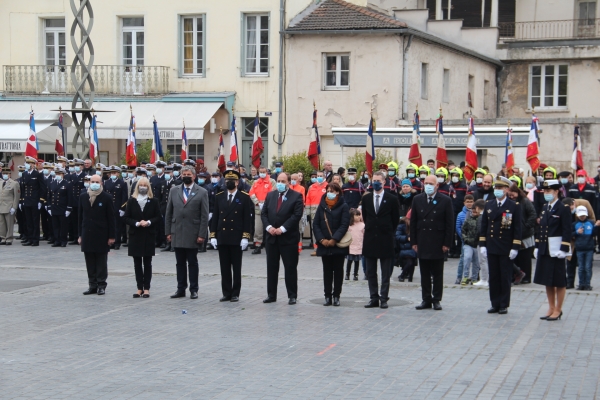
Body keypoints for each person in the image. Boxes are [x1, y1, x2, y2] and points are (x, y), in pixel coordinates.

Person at [410, 174, 454, 311]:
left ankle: (436, 299)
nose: (428, 185)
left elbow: (449, 224)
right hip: (423, 240)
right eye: (426, 183)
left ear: (437, 185)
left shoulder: (445, 200)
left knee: (437, 273)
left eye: (431, 183)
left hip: (438, 241)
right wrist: (414, 241)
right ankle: (426, 299)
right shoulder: (417, 199)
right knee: (424, 273)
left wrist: (447, 243)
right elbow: (413, 222)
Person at [479, 176, 522, 315]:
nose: (497, 190)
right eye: (496, 188)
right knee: (494, 276)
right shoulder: (489, 204)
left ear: (506, 189)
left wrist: (515, 247)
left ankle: (504, 304)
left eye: (500, 188)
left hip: (506, 246)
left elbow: (517, 228)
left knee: (504, 276)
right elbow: (484, 225)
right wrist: (483, 244)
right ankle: (494, 303)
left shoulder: (513, 206)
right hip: (491, 245)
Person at [165, 166, 209, 299]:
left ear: (194, 176)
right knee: (180, 263)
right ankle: (180, 288)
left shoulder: (201, 192)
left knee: (192, 262)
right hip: (177, 231)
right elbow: (168, 213)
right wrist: (168, 232)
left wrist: (202, 234)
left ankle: (194, 289)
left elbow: (204, 215)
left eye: (188, 174)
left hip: (193, 233)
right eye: (184, 174)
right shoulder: (174, 190)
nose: (186, 176)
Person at [209, 170, 253, 302]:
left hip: (236, 237)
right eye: (227, 180)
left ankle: (235, 293)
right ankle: (226, 292)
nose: (229, 183)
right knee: (224, 267)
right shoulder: (219, 196)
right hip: (222, 236)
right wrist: (213, 235)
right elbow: (215, 217)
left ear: (238, 182)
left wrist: (245, 237)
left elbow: (247, 219)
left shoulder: (244, 197)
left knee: (236, 267)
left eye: (232, 181)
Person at [261, 172, 304, 305]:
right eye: (278, 181)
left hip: (288, 238)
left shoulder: (296, 196)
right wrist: (269, 227)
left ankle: (292, 295)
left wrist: (282, 229)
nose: (280, 183)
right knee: (272, 268)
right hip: (272, 238)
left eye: (283, 181)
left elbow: (296, 216)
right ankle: (271, 295)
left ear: (288, 182)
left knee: (290, 268)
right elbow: (264, 213)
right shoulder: (270, 195)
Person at [534, 179, 571, 321]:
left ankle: (558, 309)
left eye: (549, 191)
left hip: (556, 250)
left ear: (556, 192)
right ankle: (550, 307)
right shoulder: (545, 208)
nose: (546, 193)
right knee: (547, 280)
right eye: (545, 191)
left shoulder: (563, 208)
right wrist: (537, 246)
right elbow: (541, 228)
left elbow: (567, 230)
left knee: (559, 280)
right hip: (545, 248)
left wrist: (564, 248)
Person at [363, 171, 400, 309]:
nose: (376, 183)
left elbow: (395, 219)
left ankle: (384, 298)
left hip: (385, 238)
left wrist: (387, 230)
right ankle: (373, 297)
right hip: (370, 238)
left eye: (379, 180)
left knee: (385, 272)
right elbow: (366, 218)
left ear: (384, 182)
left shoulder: (391, 199)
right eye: (374, 180)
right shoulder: (366, 198)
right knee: (370, 272)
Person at [312, 182, 349, 306]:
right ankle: (327, 296)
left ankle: (336, 296)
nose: (330, 193)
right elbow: (316, 224)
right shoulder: (322, 206)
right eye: (328, 191)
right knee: (327, 271)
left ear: (338, 192)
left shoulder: (343, 206)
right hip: (324, 245)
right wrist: (322, 239)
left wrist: (334, 239)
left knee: (338, 271)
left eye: (333, 191)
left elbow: (344, 225)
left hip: (337, 245)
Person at [124, 177, 162, 298]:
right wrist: (136, 223)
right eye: (141, 185)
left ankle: (146, 288)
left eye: (145, 185)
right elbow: (126, 217)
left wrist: (149, 222)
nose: (143, 187)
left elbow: (158, 217)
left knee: (147, 262)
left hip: (148, 234)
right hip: (136, 234)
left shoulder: (154, 200)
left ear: (148, 187)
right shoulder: (131, 200)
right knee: (137, 263)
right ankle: (139, 287)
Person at [78, 175, 116, 295]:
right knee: (89, 260)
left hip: (101, 233)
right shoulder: (83, 196)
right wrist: (80, 235)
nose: (94, 183)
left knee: (101, 261)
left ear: (101, 183)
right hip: (87, 232)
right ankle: (92, 285)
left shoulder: (106, 197)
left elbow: (111, 218)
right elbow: (80, 217)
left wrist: (111, 236)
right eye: (92, 181)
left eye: (97, 182)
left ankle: (101, 284)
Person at [507, 184, 537, 284]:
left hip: (526, 234)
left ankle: (526, 277)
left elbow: (532, 214)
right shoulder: (509, 203)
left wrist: (527, 226)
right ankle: (515, 276)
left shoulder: (525, 201)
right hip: (513, 234)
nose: (512, 197)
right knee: (515, 257)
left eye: (513, 194)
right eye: (509, 195)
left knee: (525, 258)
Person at [248, 166, 276, 255]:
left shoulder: (272, 181)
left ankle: (270, 244)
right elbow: (251, 193)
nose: (262, 173)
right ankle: (257, 245)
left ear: (267, 172)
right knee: (258, 228)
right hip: (258, 208)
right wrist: (257, 202)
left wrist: (267, 203)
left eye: (264, 172)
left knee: (270, 226)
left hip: (269, 208)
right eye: (261, 172)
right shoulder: (256, 182)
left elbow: (274, 193)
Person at [21, 156, 46, 247]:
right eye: (26, 163)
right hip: (27, 200)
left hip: (35, 200)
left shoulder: (37, 174)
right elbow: (23, 188)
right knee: (28, 221)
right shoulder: (24, 174)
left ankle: (35, 239)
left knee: (35, 221)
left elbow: (42, 188)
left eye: (29, 163)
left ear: (32, 164)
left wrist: (41, 200)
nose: (27, 165)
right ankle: (29, 238)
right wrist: (23, 199)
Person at [104, 166, 128, 250]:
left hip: (117, 207)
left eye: (115, 173)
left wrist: (122, 208)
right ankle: (110, 241)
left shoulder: (122, 183)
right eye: (111, 173)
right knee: (109, 225)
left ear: (118, 173)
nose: (113, 174)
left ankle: (117, 242)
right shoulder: (106, 182)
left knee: (117, 226)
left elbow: (124, 197)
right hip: (108, 207)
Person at [48, 168, 73, 247]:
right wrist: (49, 207)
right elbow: (49, 196)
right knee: (55, 226)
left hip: (63, 208)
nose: (58, 175)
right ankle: (57, 240)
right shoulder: (52, 183)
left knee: (63, 226)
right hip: (54, 207)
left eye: (60, 174)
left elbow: (70, 197)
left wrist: (69, 208)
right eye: (57, 174)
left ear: (63, 175)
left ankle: (63, 240)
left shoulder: (67, 184)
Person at [306, 170, 327, 255]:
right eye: (318, 176)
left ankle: (324, 247)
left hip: (325, 212)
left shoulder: (328, 186)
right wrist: (307, 213)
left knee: (325, 229)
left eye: (321, 176)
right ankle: (316, 248)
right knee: (315, 230)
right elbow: (308, 200)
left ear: (324, 177)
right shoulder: (312, 187)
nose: (319, 177)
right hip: (313, 213)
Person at [573, 206, 594, 291]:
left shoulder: (591, 223)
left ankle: (587, 284)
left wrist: (596, 227)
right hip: (579, 248)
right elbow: (571, 234)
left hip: (589, 248)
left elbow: (594, 234)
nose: (582, 217)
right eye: (581, 215)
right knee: (581, 267)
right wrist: (577, 232)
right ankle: (581, 284)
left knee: (588, 267)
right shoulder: (575, 224)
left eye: (584, 215)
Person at [455, 195, 475, 284]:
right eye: (468, 202)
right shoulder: (461, 214)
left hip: (474, 241)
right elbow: (458, 227)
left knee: (475, 260)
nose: (469, 203)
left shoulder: (475, 213)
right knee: (463, 259)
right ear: (464, 203)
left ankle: (474, 277)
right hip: (465, 240)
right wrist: (463, 237)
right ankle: (459, 277)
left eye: (471, 201)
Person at [460, 202, 481, 285]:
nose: (474, 213)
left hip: (477, 244)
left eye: (476, 212)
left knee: (476, 262)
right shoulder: (468, 220)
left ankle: (474, 278)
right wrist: (466, 239)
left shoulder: (481, 220)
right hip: (468, 243)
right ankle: (465, 276)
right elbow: (463, 230)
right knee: (467, 258)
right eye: (473, 212)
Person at [0, 163, 20, 245]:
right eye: (3, 173)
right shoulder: (0, 182)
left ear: (9, 174)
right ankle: (3, 237)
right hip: (1, 206)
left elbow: (16, 196)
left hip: (9, 206)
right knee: (2, 224)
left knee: (9, 224)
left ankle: (9, 238)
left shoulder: (14, 183)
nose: (5, 175)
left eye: (6, 174)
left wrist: (14, 207)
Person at [472, 200, 490, 287]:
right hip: (489, 241)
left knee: (482, 261)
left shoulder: (481, 217)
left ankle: (484, 279)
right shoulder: (488, 215)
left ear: (478, 208)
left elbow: (479, 230)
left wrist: (475, 241)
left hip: (482, 242)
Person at [396, 214, 417, 282]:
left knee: (412, 262)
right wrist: (406, 238)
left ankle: (409, 277)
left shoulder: (415, 226)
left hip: (413, 247)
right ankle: (403, 275)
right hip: (404, 247)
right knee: (410, 262)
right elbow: (397, 236)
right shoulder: (402, 226)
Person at [345, 208, 364, 281]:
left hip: (359, 245)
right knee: (349, 261)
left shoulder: (362, 225)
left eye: (359, 215)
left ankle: (355, 274)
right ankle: (347, 274)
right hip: (351, 245)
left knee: (357, 262)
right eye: (356, 215)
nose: (358, 217)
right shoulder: (349, 225)